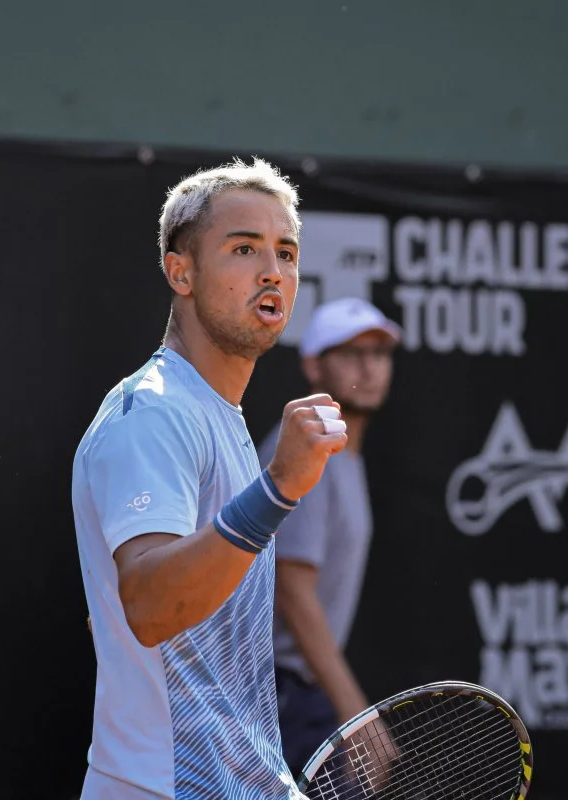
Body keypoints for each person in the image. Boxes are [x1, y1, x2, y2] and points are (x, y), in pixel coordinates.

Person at [71, 157, 349, 799]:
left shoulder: (211, 415)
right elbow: (146, 606)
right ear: (181, 272)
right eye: (243, 248)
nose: (271, 270)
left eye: (285, 251)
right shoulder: (156, 411)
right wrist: (277, 489)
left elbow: (129, 619)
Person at [257, 297, 401, 777]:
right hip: (276, 696)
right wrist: (357, 716)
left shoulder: (341, 451)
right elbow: (293, 592)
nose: (370, 366)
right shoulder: (307, 445)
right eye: (352, 353)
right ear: (314, 365)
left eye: (380, 354)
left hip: (298, 693)